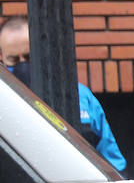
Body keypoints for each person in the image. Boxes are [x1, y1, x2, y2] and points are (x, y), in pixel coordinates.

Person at [0, 15, 126, 171]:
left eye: (28, 57)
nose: (23, 66)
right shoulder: (4, 103)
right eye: (14, 60)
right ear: (2, 58)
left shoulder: (80, 96)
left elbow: (112, 162)